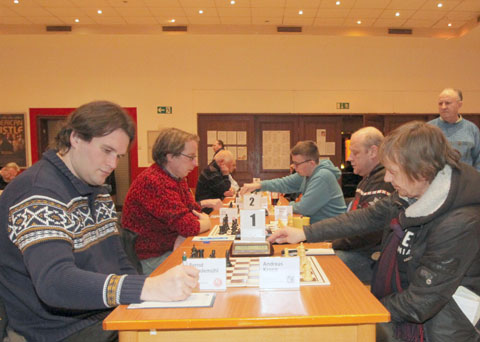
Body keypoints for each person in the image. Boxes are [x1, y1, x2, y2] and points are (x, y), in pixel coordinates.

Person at [0, 101, 199, 342]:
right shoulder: (37, 192)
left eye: (119, 155)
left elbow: (119, 261)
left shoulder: (98, 190)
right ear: (75, 138)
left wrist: (148, 288)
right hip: (57, 331)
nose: (113, 164)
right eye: (106, 151)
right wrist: (148, 288)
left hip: (103, 316)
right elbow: (55, 282)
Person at [269, 121, 480, 342]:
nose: (387, 179)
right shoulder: (414, 190)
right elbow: (367, 217)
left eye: (392, 171)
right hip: (411, 306)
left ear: (422, 171)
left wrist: (366, 309)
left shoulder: (460, 223)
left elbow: (421, 303)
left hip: (443, 328)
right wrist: (304, 233)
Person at [122, 128, 220, 275]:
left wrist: (184, 232)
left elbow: (193, 211)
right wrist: (206, 222)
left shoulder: (176, 178)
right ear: (170, 156)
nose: (195, 163)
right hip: (151, 259)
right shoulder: (154, 181)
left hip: (171, 248)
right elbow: (190, 226)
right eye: (190, 157)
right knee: (210, 273)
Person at [333, 127, 394, 283]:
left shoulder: (383, 181)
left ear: (373, 152)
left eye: (355, 153)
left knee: (329, 265)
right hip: (360, 250)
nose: (349, 158)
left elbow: (369, 232)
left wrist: (333, 243)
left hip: (371, 257)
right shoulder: (367, 179)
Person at [240, 140, 346, 223]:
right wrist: (258, 185)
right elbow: (284, 183)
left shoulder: (322, 176)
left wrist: (279, 207)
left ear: (311, 163)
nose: (294, 167)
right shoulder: (307, 173)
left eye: (297, 163)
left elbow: (303, 208)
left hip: (330, 234)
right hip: (318, 227)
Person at [429, 88, 480, 171]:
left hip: (465, 181)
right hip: (436, 180)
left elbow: (478, 159)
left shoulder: (472, 129)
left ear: (459, 104)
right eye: (440, 103)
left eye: (448, 103)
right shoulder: (429, 129)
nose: (443, 107)